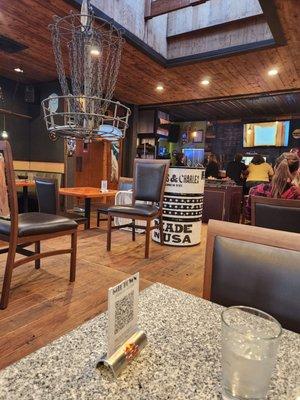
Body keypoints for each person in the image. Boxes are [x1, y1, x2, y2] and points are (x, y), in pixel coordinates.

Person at [246, 152, 300, 219]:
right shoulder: (296, 195)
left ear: (275, 168)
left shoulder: (254, 191)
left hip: (261, 229)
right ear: (295, 173)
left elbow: (249, 216)